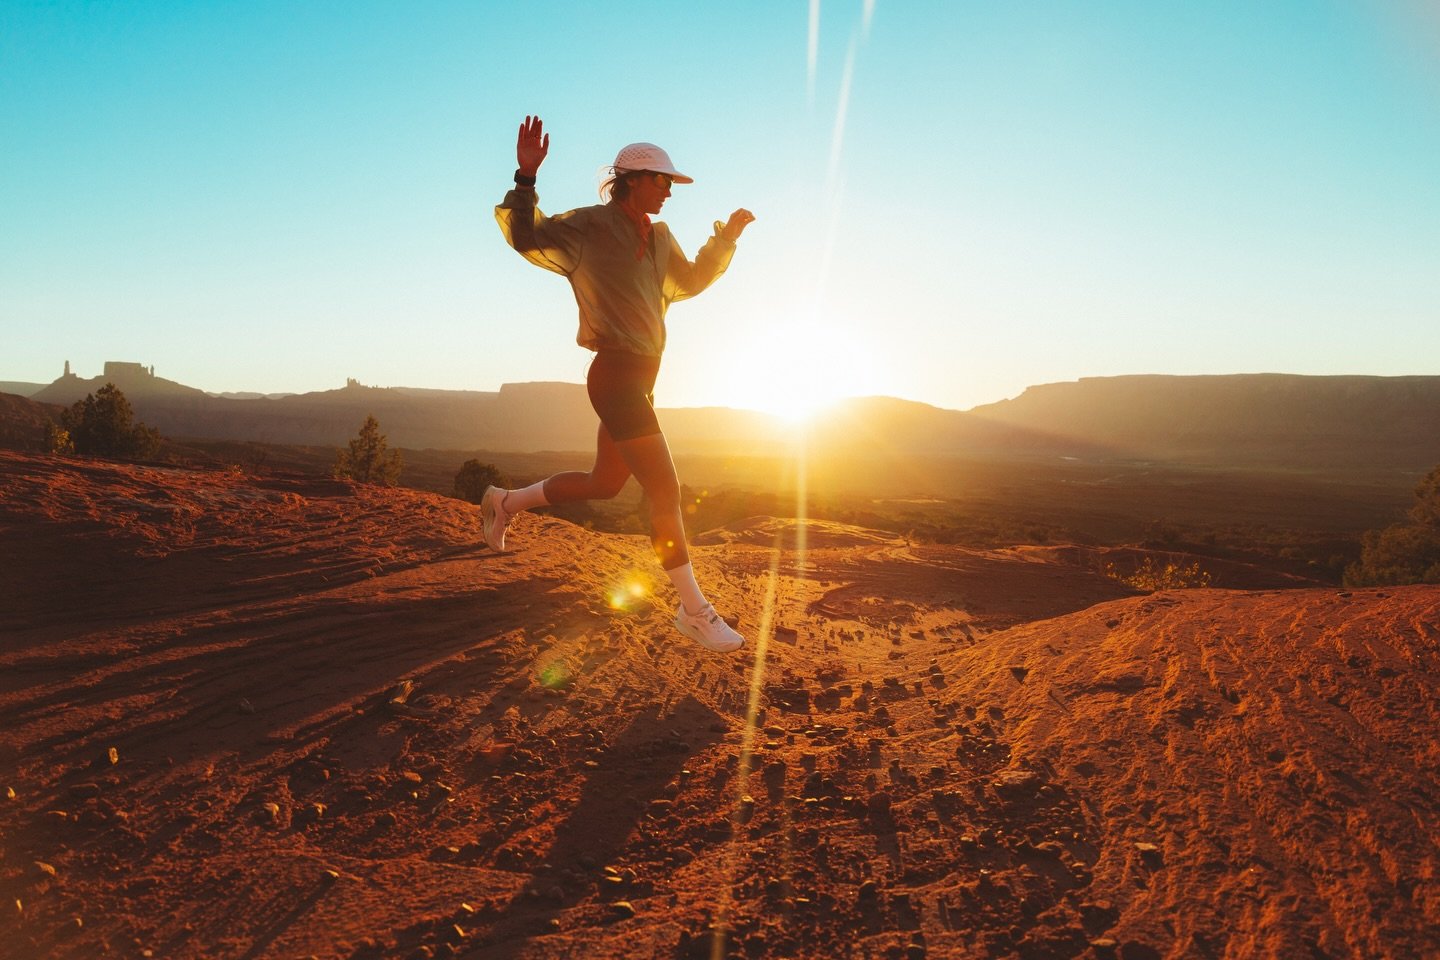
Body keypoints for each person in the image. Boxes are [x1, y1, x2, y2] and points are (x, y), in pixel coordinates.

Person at [488, 115, 756, 653]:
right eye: (663, 181)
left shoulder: (659, 237)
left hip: (644, 377)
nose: (669, 191)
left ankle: (504, 503)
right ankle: (694, 612)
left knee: (605, 483)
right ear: (632, 178)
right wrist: (525, 177)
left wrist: (725, 239)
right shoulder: (588, 226)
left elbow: (691, 281)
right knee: (666, 491)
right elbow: (524, 237)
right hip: (613, 375)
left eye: (671, 184)